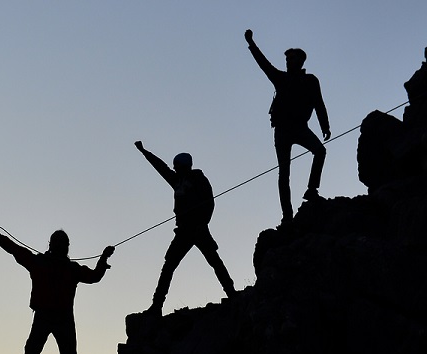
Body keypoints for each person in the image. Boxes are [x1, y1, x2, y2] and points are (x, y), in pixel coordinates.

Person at [0, 226, 113, 354]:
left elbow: (17, 251)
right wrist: (103, 258)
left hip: (49, 317)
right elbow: (94, 276)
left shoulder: (42, 263)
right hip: (58, 318)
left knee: (39, 352)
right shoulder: (66, 268)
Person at [135, 141, 236, 314]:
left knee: (214, 260)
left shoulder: (199, 179)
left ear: (185, 166)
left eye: (177, 167)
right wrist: (144, 152)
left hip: (198, 228)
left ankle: (231, 293)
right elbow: (161, 168)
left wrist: (202, 223)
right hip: (183, 230)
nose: (175, 170)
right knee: (169, 266)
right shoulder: (176, 180)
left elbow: (209, 203)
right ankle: (156, 305)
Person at [245, 28, 331, 224]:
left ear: (301, 61)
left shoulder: (310, 81)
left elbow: (319, 103)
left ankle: (312, 189)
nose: (288, 62)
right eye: (287, 59)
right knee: (284, 173)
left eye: (292, 59)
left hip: (300, 128)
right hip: (282, 130)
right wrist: (251, 44)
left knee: (320, 151)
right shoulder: (280, 78)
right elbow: (263, 64)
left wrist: (325, 126)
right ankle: (287, 216)